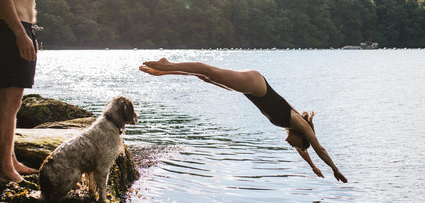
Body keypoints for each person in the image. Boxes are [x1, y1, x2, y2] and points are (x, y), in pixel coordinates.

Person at [140, 58, 347, 183]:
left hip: (251, 91)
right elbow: (319, 148)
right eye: (296, 144)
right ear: (301, 136)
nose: (291, 145)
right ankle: (167, 65)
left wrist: (311, 167)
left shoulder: (291, 127)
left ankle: (164, 71)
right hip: (257, 86)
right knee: (210, 72)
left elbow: (304, 151)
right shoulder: (299, 124)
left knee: (206, 77)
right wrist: (334, 169)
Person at [0, 0, 39, 182]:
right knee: (9, 102)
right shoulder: (15, 33)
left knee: (13, 102)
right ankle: (3, 168)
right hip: (12, 32)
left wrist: (28, 35)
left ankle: (11, 161)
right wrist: (20, 34)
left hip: (20, 29)